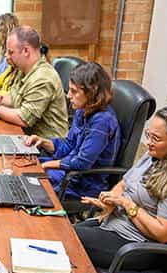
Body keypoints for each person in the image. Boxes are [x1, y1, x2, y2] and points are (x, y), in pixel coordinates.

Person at [74, 105, 167, 270]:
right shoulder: (154, 156)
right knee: (59, 232)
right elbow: (124, 184)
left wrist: (127, 204)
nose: (148, 143)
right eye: (148, 135)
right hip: (115, 224)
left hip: (136, 245)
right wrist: (110, 201)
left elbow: (163, 233)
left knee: (67, 241)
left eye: (156, 138)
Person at [24, 62, 121, 201]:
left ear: (91, 92)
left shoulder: (102, 121)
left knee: (29, 177)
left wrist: (46, 165)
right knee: (26, 165)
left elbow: (82, 162)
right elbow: (69, 145)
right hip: (70, 172)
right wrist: (43, 142)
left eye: (74, 91)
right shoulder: (83, 110)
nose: (68, 96)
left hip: (83, 183)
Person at [0, 26, 68, 138]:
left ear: (26, 51)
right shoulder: (22, 69)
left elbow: (24, 119)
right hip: (27, 136)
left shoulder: (43, 78)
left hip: (47, 147)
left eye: (11, 52)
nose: (7, 56)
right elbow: (14, 98)